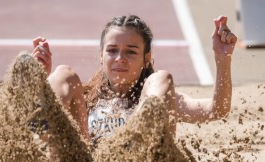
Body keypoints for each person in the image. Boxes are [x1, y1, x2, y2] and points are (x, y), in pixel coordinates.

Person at [31, 15, 237, 143]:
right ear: (101, 55)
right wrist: (41, 79)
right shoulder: (84, 97)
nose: (120, 59)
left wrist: (222, 58)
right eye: (112, 51)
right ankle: (41, 107)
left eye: (131, 52)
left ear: (146, 58)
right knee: (62, 73)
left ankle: (136, 146)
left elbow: (217, 109)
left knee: (162, 78)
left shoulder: (160, 94)